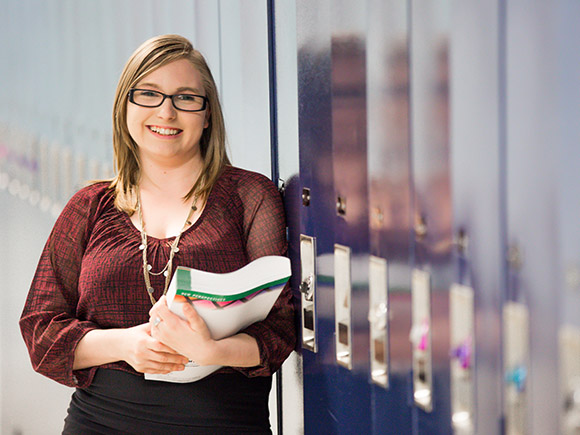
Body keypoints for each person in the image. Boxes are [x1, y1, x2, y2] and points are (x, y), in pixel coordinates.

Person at [19, 34, 295, 434]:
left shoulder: (249, 197)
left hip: (223, 424)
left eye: (185, 98)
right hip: (100, 423)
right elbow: (40, 330)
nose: (166, 112)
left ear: (207, 115)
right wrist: (127, 345)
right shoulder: (90, 206)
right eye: (148, 94)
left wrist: (211, 351)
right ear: (125, 107)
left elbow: (281, 327)